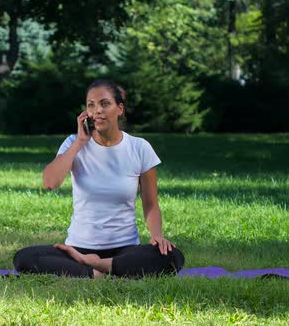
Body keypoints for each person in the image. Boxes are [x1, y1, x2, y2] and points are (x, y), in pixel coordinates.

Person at [13, 79, 184, 279]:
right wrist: (79, 142)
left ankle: (96, 267)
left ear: (119, 109)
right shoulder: (72, 143)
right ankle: (98, 272)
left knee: (172, 257)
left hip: (125, 250)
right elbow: (50, 182)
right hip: (77, 250)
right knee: (24, 257)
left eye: (104, 104)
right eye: (91, 105)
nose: (97, 111)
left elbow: (151, 204)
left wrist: (157, 236)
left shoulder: (139, 147)